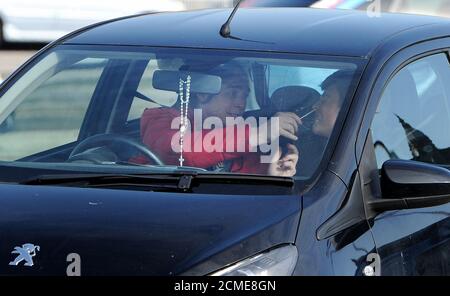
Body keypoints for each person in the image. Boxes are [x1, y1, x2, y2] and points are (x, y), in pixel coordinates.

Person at [138, 62, 302, 176]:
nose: (241, 103)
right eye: (232, 93)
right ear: (203, 94)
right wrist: (258, 134)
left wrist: (273, 175)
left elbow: (249, 188)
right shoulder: (161, 118)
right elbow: (180, 151)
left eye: (244, 96)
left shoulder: (244, 136)